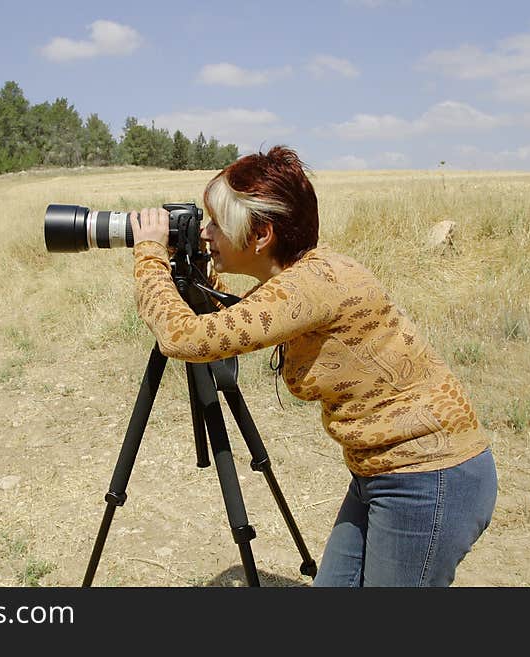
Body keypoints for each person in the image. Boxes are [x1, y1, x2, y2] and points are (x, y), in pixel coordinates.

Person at [129, 145, 497, 587]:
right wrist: (198, 280)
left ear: (260, 234)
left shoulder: (309, 287)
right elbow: (242, 319)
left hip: (428, 477)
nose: (206, 233)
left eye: (216, 223)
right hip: (379, 473)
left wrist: (149, 255)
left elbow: (184, 338)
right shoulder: (304, 277)